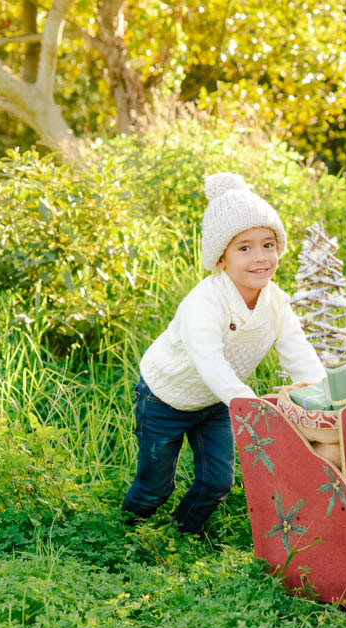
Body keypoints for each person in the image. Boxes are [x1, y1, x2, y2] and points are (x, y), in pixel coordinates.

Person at [121, 172, 325, 534]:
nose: (260, 257)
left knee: (217, 483)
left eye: (268, 245)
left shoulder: (276, 302)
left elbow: (299, 353)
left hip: (215, 403)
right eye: (244, 248)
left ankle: (181, 535)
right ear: (220, 259)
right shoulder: (205, 302)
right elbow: (210, 363)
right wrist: (251, 405)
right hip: (165, 397)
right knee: (155, 487)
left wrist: (321, 394)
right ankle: (127, 535)